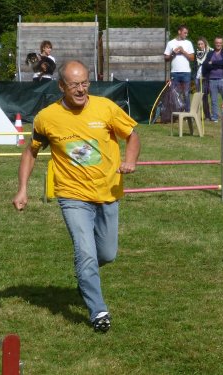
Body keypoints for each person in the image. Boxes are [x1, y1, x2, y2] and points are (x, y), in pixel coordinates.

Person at [12, 60, 141, 333]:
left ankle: (86, 273)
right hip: (72, 195)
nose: (81, 89)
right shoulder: (47, 117)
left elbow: (132, 135)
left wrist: (130, 160)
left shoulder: (106, 108)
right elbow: (30, 152)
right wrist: (23, 188)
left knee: (106, 253)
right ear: (61, 86)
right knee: (85, 252)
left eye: (85, 83)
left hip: (108, 190)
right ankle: (98, 312)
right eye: (74, 85)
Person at [164, 25, 195, 111]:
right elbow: (166, 58)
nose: (186, 34)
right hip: (174, 72)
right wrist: (173, 53)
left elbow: (192, 58)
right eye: (185, 33)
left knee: (186, 93)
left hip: (186, 73)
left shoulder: (188, 43)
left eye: (187, 33)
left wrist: (183, 51)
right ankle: (176, 113)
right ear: (179, 32)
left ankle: (188, 112)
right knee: (175, 94)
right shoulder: (170, 43)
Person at [202, 36, 223, 122]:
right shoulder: (210, 54)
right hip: (212, 80)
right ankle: (215, 116)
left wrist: (213, 62)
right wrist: (218, 64)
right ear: (214, 43)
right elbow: (206, 64)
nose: (218, 44)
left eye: (220, 43)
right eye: (216, 43)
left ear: (222, 43)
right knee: (214, 100)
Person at [195, 37, 213, 120]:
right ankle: (202, 115)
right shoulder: (197, 53)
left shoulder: (210, 51)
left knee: (207, 95)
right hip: (198, 77)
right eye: (198, 44)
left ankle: (211, 115)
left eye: (201, 44)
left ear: (205, 44)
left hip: (206, 76)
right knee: (200, 96)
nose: (200, 45)